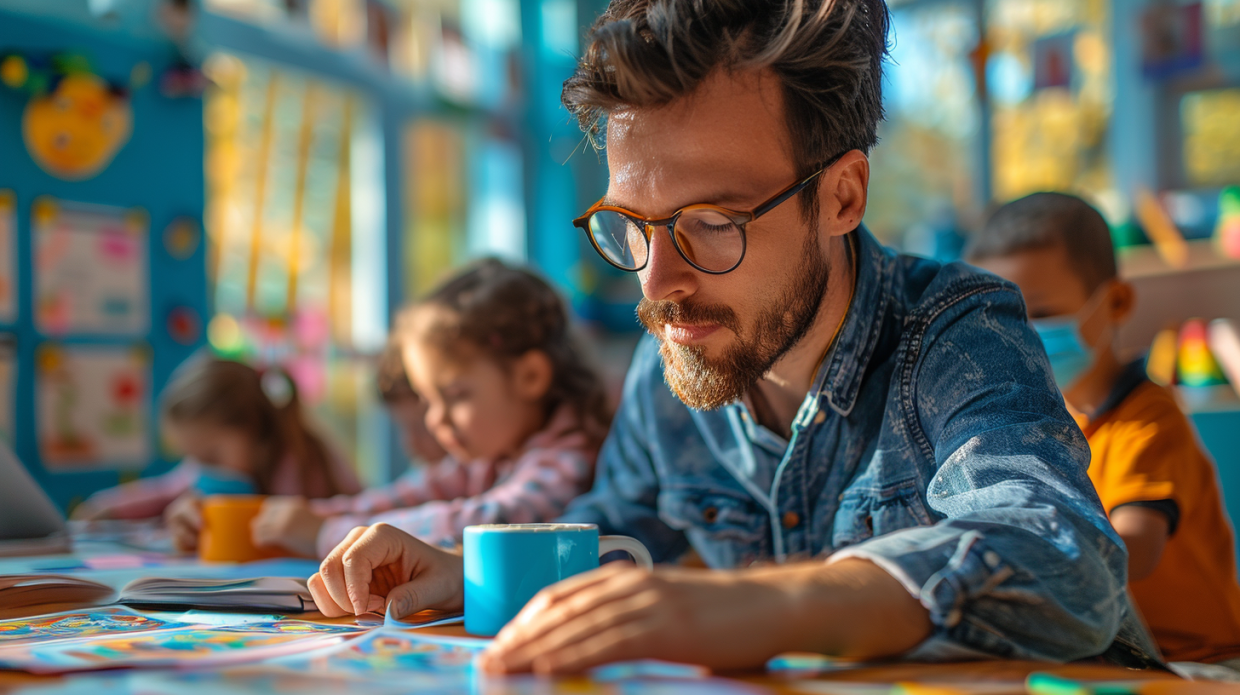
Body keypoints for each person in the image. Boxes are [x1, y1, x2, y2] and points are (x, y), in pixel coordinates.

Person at [306, 0, 1159, 674]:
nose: (656, 282)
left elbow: (1064, 553)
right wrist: (470, 566)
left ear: (842, 197)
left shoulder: (956, 330)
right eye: (630, 225)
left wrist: (776, 606)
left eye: (712, 221)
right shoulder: (673, 355)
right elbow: (623, 521)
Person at [968, 192, 1240, 666]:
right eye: (1006, 321)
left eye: (1045, 313)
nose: (1024, 339)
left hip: (1199, 660)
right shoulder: (1039, 426)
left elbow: (1136, 546)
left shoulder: (1150, 421)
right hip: (1113, 653)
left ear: (1115, 302)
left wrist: (1016, 566)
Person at [252, 260, 610, 559]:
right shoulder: (494, 457)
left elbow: (495, 525)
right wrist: (311, 515)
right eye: (428, 400)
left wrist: (330, 533)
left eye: (455, 395)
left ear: (530, 377)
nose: (435, 420)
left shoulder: (568, 458)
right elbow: (409, 494)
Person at [73, 358, 361, 552]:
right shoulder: (205, 468)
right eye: (193, 458)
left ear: (256, 432)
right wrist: (104, 510)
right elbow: (163, 491)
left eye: (211, 456)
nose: (202, 470)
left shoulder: (302, 462)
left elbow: (359, 515)